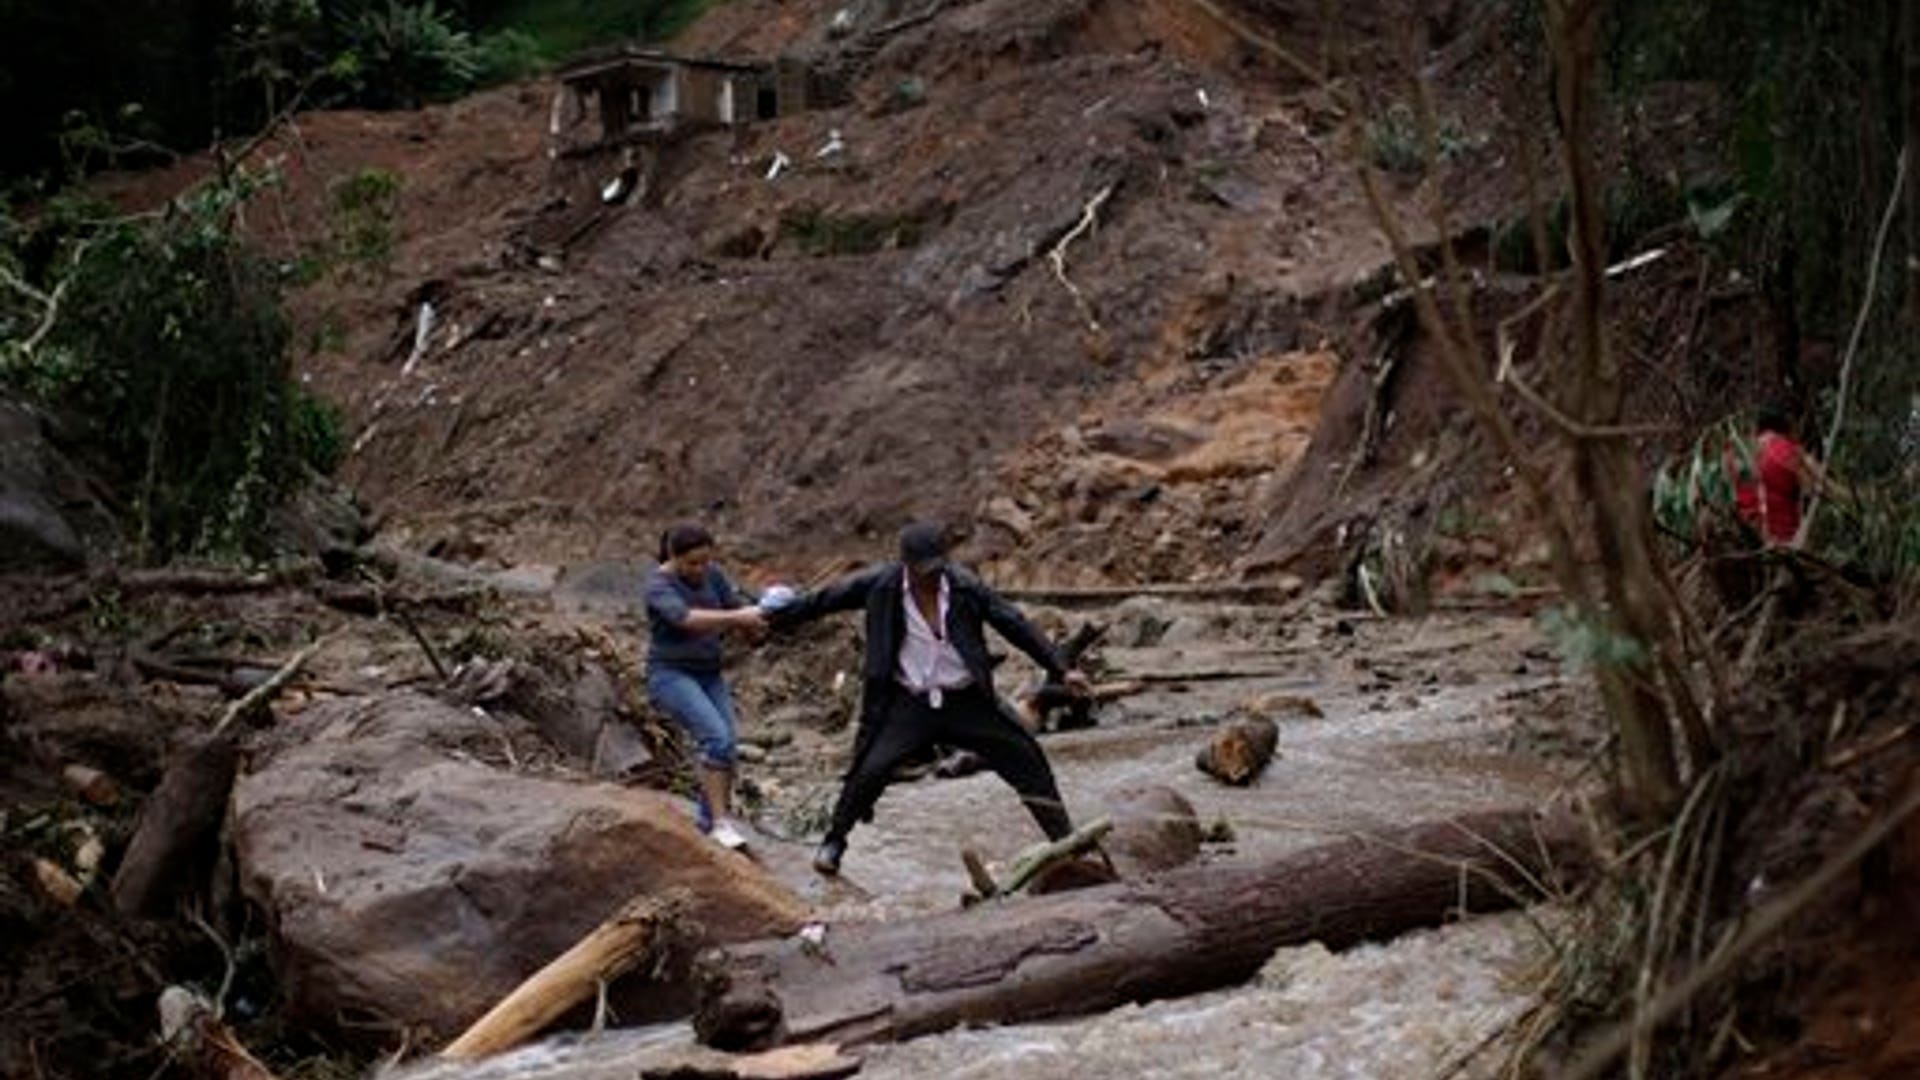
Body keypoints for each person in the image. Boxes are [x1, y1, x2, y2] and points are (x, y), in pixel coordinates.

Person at [768, 521, 1089, 876]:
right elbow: (824, 600)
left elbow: (1014, 624)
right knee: (869, 769)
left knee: (1026, 757)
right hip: (910, 702)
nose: (932, 579)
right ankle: (834, 842)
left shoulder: (965, 587)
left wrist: (1061, 669)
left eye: (938, 570)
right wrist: (774, 616)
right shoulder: (881, 585)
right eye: (923, 573)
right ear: (905, 565)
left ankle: (1065, 841)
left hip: (967, 700)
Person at [644, 523, 767, 850]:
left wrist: (759, 624)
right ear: (674, 558)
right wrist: (740, 618)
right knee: (716, 738)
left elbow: (735, 608)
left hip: (709, 674)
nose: (701, 570)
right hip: (670, 674)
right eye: (693, 564)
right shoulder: (658, 584)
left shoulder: (714, 574)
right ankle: (720, 823)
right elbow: (686, 619)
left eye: (705, 561)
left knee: (726, 746)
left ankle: (708, 822)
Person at [1731, 405, 1835, 547]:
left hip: (1748, 541)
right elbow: (1820, 487)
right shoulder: (1786, 449)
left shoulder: (1741, 453)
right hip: (1786, 541)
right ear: (1785, 426)